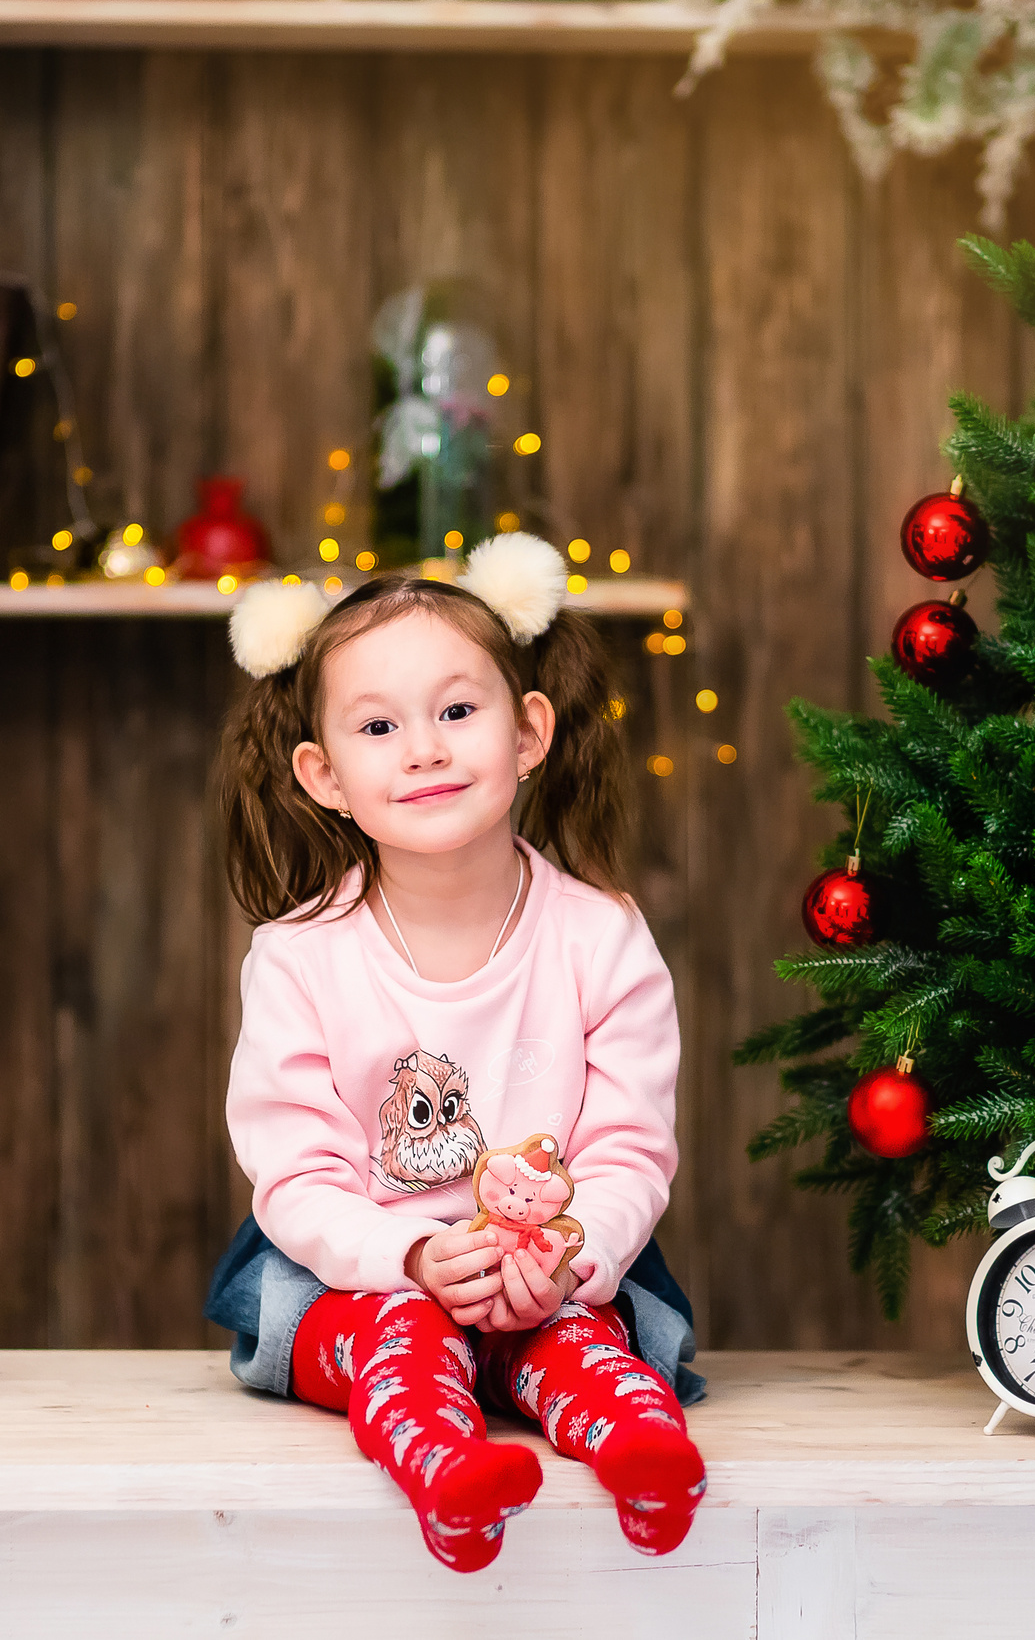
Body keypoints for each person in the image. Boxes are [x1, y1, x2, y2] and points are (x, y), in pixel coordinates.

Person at [204, 535, 706, 1573]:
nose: (424, 749)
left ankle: (646, 1459)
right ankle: (445, 1471)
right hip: (360, 1279)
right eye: (378, 726)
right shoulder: (299, 960)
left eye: (457, 712)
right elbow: (297, 1176)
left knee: (583, 1344)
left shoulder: (599, 939)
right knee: (402, 1333)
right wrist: (416, 1261)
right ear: (324, 774)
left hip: (554, 1279)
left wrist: (565, 1260)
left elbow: (627, 1152)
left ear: (528, 732)